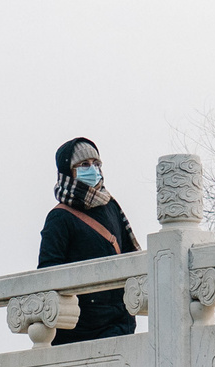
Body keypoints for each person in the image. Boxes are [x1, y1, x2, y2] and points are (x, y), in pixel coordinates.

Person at [37, 138, 141, 344]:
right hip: (80, 329)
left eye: (97, 163)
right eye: (84, 164)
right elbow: (49, 271)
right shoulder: (60, 217)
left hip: (120, 321)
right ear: (69, 171)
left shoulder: (111, 207)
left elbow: (130, 255)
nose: (93, 169)